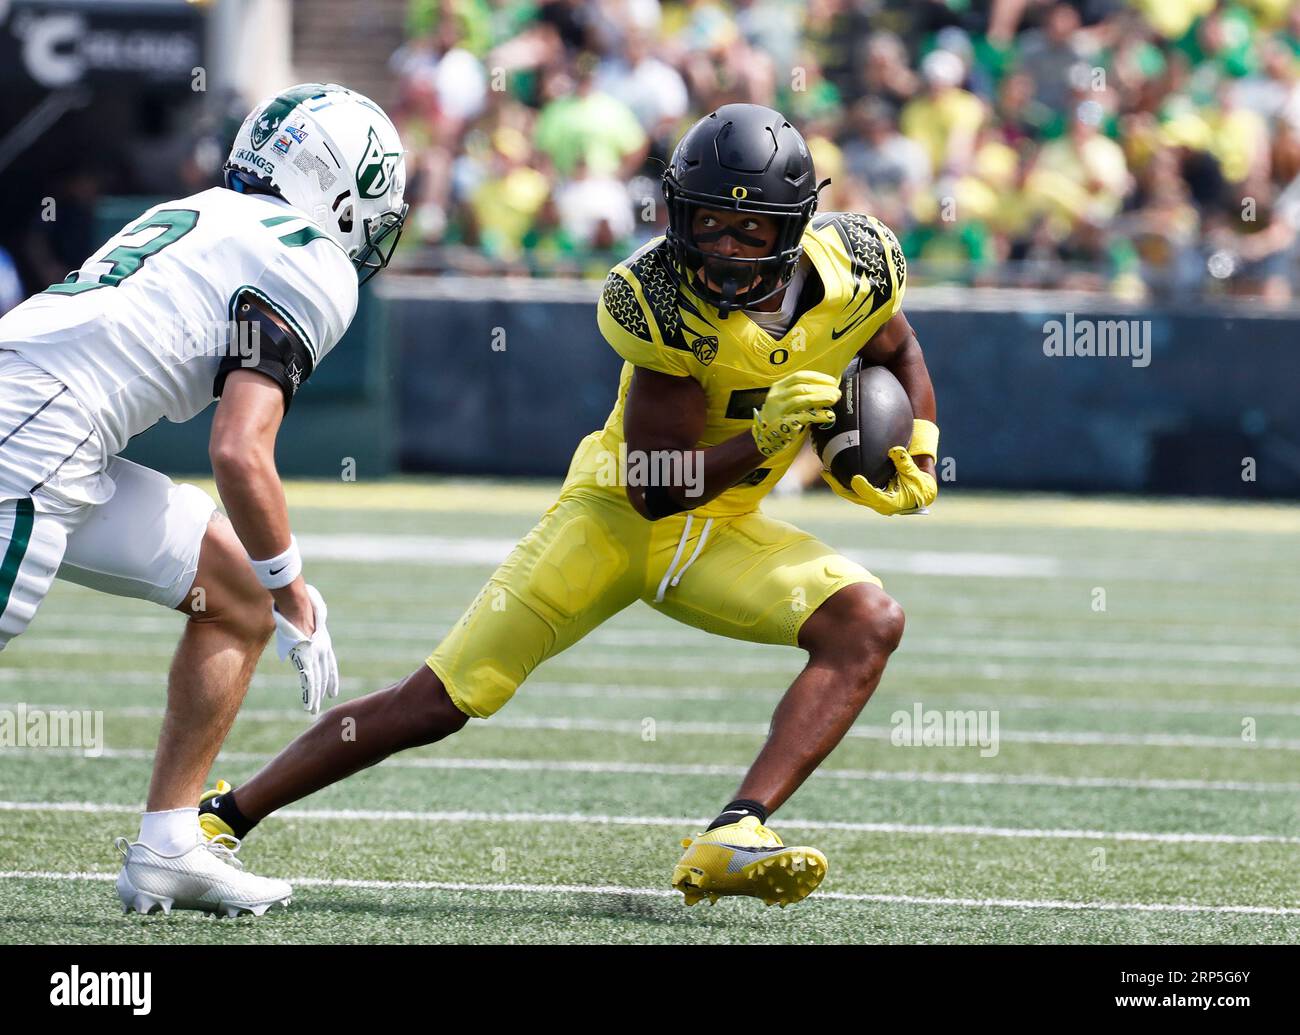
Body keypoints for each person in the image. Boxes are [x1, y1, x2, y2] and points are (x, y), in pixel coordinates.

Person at [199, 104, 940, 909]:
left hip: (723, 532)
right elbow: (656, 485)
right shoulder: (653, 294)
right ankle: (226, 813)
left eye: (746, 230)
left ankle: (733, 830)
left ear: (791, 229)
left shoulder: (861, 261)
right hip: (614, 519)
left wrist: (921, 443)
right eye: (704, 222)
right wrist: (764, 438)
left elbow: (895, 347)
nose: (719, 247)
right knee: (436, 702)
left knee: (869, 621)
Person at [0, 83, 408, 917]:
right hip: (33, 431)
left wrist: (270, 589)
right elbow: (239, 448)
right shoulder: (311, 259)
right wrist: (296, 590)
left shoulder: (212, 209)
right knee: (268, 592)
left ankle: (170, 843)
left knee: (234, 596)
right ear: (336, 189)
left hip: (53, 427)